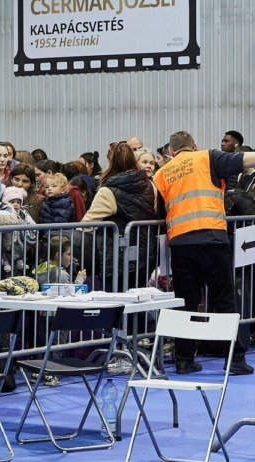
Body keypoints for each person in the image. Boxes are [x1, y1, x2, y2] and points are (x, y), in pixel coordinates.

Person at [153, 130, 254, 375]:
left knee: (186, 303)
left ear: (171, 152)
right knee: (223, 300)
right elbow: (247, 160)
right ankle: (235, 360)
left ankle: (184, 360)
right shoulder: (207, 157)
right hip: (212, 239)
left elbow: (159, 212)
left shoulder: (161, 173)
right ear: (194, 145)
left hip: (180, 243)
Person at [83, 142, 158, 288]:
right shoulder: (151, 186)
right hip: (146, 254)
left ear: (111, 162)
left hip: (117, 258)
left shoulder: (108, 191)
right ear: (134, 161)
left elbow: (87, 225)